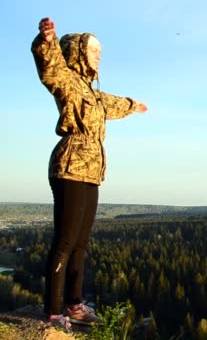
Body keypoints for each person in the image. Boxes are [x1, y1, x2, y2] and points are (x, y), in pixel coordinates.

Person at [31, 17, 148, 332]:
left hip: (91, 171)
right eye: (94, 50)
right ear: (78, 52)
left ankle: (74, 303)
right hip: (69, 166)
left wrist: (132, 105)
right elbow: (49, 68)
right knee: (66, 241)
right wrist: (48, 41)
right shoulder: (68, 80)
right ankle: (54, 312)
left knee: (81, 242)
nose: (99, 55)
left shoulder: (92, 92)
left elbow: (110, 103)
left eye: (100, 50)